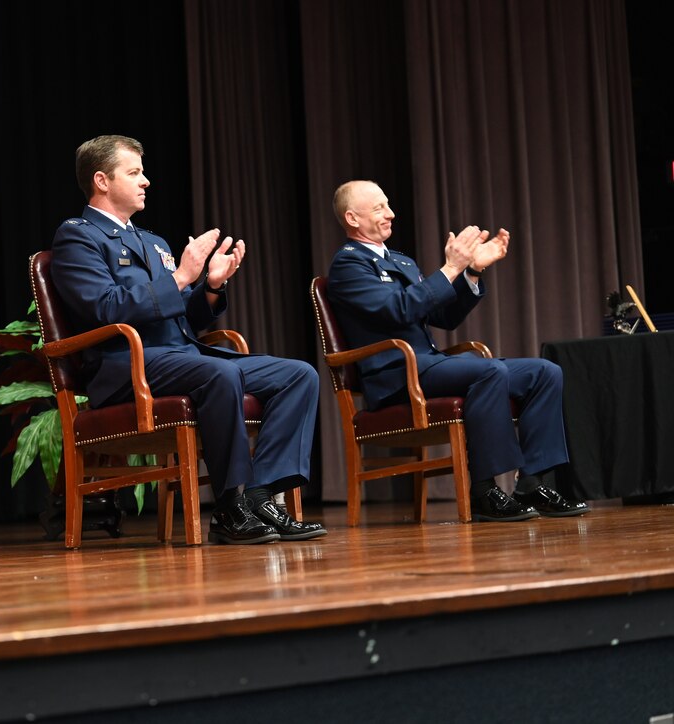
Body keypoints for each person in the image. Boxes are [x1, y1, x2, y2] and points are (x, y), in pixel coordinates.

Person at [50, 135, 325, 544]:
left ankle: (260, 494)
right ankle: (230, 509)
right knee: (217, 374)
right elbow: (104, 308)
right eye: (135, 172)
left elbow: (184, 317)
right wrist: (180, 277)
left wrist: (210, 287)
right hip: (125, 363)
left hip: (181, 357)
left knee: (298, 374)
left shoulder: (153, 241)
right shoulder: (78, 237)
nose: (146, 181)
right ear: (102, 181)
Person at [326, 180, 589, 521]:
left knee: (544, 372)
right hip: (396, 375)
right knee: (488, 370)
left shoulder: (401, 262)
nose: (391, 213)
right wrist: (450, 269)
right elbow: (399, 310)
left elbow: (443, 316)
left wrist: (472, 271)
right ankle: (483, 490)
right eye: (379, 208)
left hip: (430, 365)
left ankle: (533, 482)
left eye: (388, 205)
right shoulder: (348, 265)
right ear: (352, 218)